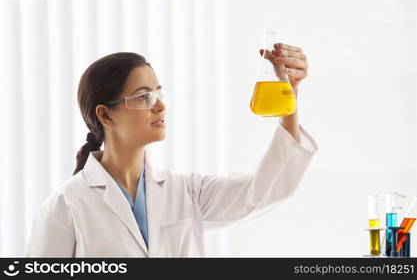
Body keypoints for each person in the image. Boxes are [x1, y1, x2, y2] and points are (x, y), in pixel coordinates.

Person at [26, 44, 317, 257]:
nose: (160, 105)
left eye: (158, 93)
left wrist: (288, 102)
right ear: (105, 115)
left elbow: (263, 191)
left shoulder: (186, 191)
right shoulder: (65, 207)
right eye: (143, 96)